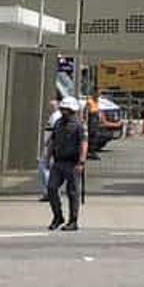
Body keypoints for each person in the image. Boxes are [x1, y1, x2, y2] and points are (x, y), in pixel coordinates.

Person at [45, 96, 88, 231]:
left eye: (66, 109)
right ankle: (58, 216)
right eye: (62, 108)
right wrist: (47, 158)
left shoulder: (79, 125)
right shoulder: (58, 123)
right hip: (58, 162)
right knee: (51, 188)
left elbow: (84, 144)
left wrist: (81, 162)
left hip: (73, 163)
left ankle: (73, 221)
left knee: (73, 193)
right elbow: (52, 141)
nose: (63, 111)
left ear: (72, 110)